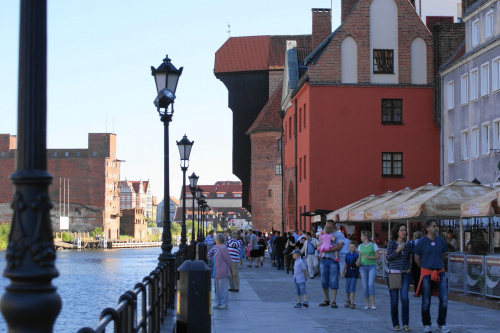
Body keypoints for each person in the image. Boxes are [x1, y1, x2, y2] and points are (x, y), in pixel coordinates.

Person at [414, 219, 450, 333]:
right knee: (426, 301)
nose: (436, 228)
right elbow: (416, 258)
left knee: (444, 299)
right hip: (427, 273)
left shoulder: (441, 240)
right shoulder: (421, 242)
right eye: (434, 226)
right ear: (427, 228)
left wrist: (440, 265)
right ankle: (426, 325)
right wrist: (424, 267)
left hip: (440, 272)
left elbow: (444, 255)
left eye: (437, 226)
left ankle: (441, 324)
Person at [386, 223, 412, 332]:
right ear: (397, 232)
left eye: (405, 230)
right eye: (401, 230)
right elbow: (388, 258)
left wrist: (409, 267)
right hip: (393, 274)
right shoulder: (391, 243)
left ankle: (405, 323)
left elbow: (408, 258)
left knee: (405, 298)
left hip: (404, 274)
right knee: (394, 301)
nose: (403, 232)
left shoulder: (408, 244)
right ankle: (396, 324)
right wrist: (397, 250)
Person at [318, 220, 345, 308]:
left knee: (333, 280)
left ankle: (333, 301)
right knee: (323, 280)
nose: (326, 227)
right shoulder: (323, 234)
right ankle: (326, 299)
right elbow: (319, 244)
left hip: (333, 259)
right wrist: (320, 247)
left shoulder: (339, 235)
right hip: (324, 259)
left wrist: (329, 250)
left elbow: (340, 246)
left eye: (327, 225)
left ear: (331, 226)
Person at [356, 230, 380, 310]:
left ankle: (373, 303)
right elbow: (359, 257)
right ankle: (367, 304)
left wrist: (369, 257)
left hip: (371, 266)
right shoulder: (360, 246)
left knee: (370, 284)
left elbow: (378, 256)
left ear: (366, 236)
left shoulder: (373, 245)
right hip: (363, 267)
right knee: (365, 285)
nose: (360, 237)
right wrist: (358, 262)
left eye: (362, 236)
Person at [212, 233, 232, 310]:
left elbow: (228, 260)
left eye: (216, 239)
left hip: (222, 271)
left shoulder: (223, 248)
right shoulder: (218, 247)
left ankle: (224, 303)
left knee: (223, 289)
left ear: (218, 240)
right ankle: (219, 303)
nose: (215, 240)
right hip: (216, 271)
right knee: (218, 289)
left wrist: (230, 270)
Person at [343, 241, 359, 309]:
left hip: (354, 271)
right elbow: (346, 263)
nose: (350, 248)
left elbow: (358, 263)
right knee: (347, 287)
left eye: (352, 247)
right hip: (348, 271)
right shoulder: (347, 255)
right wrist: (343, 270)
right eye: (349, 247)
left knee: (352, 287)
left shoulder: (356, 255)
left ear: (355, 248)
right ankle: (348, 299)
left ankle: (352, 302)